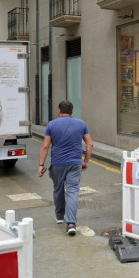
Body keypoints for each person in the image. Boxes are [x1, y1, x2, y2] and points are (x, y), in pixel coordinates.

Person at [38, 100, 93, 236]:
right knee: (73, 191)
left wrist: (41, 165)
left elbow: (45, 146)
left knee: (58, 189)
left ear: (59, 110)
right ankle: (71, 224)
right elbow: (90, 144)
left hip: (57, 163)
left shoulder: (51, 125)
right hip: (75, 163)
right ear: (72, 111)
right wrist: (85, 161)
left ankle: (59, 217)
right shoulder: (81, 124)